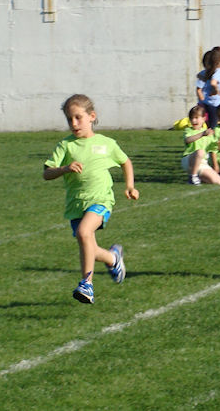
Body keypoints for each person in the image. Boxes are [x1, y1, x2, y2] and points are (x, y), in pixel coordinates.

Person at [43, 94, 139, 304]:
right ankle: (113, 258)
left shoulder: (106, 143)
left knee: (84, 232)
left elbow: (125, 162)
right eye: (69, 119)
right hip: (76, 205)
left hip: (101, 200)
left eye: (78, 117)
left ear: (91, 116)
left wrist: (130, 186)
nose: (74, 123)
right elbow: (47, 173)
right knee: (89, 247)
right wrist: (64, 168)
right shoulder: (66, 145)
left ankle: (87, 284)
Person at [182, 105, 220, 186]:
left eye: (196, 118)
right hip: (189, 160)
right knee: (200, 152)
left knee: (219, 182)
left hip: (202, 162)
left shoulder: (207, 133)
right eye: (192, 118)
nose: (194, 120)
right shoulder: (189, 130)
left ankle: (198, 177)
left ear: (204, 119)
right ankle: (192, 177)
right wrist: (202, 134)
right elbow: (187, 140)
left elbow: (213, 148)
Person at [195, 46, 220, 129]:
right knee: (215, 125)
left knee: (209, 124)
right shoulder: (217, 72)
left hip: (207, 103)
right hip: (216, 104)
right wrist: (216, 90)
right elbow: (213, 83)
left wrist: (202, 100)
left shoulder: (204, 73)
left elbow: (199, 89)